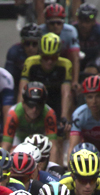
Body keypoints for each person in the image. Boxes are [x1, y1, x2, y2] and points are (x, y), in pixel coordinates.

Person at [18, 32, 72, 164]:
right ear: (40, 55)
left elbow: (66, 93)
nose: (49, 61)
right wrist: (21, 112)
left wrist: (64, 117)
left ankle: (56, 167)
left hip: (56, 100)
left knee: (59, 135)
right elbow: (22, 90)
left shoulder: (65, 65)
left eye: (53, 58)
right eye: (45, 57)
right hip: (35, 100)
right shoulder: (30, 63)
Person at [2, 82, 58, 153]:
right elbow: (6, 145)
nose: (34, 109)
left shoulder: (49, 114)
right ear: (23, 103)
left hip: (41, 140)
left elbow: (53, 147)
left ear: (44, 104)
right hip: (19, 139)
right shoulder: (14, 113)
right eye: (30, 105)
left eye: (39, 105)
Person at [43, 3, 81, 87]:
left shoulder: (70, 31)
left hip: (64, 61)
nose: (55, 26)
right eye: (52, 23)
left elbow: (75, 58)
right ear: (46, 23)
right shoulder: (40, 31)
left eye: (59, 23)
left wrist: (75, 81)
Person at [5, 23, 43, 94]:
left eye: (34, 44)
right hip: (17, 84)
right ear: (22, 43)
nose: (30, 48)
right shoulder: (14, 52)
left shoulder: (44, 53)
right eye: (27, 43)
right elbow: (8, 78)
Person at [75, 3, 100, 73]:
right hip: (77, 58)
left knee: (90, 71)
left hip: (94, 58)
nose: (83, 25)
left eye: (87, 22)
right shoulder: (73, 30)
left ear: (93, 22)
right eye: (81, 21)